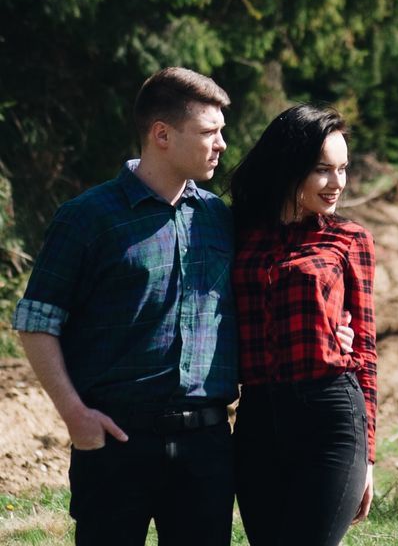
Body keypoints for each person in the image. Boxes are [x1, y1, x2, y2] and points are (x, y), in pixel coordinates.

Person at [13, 67, 357, 545]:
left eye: (222, 132)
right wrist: (74, 414)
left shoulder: (221, 218)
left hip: (207, 447)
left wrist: (333, 326)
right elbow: (36, 321)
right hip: (115, 440)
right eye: (209, 133)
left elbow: (274, 281)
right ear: (162, 135)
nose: (221, 145)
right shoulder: (87, 218)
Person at [229, 103, 377, 546]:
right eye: (322, 170)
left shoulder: (349, 239)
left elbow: (365, 349)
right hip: (256, 420)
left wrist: (368, 454)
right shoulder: (238, 233)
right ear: (288, 166)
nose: (338, 184)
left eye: (343, 169)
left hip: (329, 417)